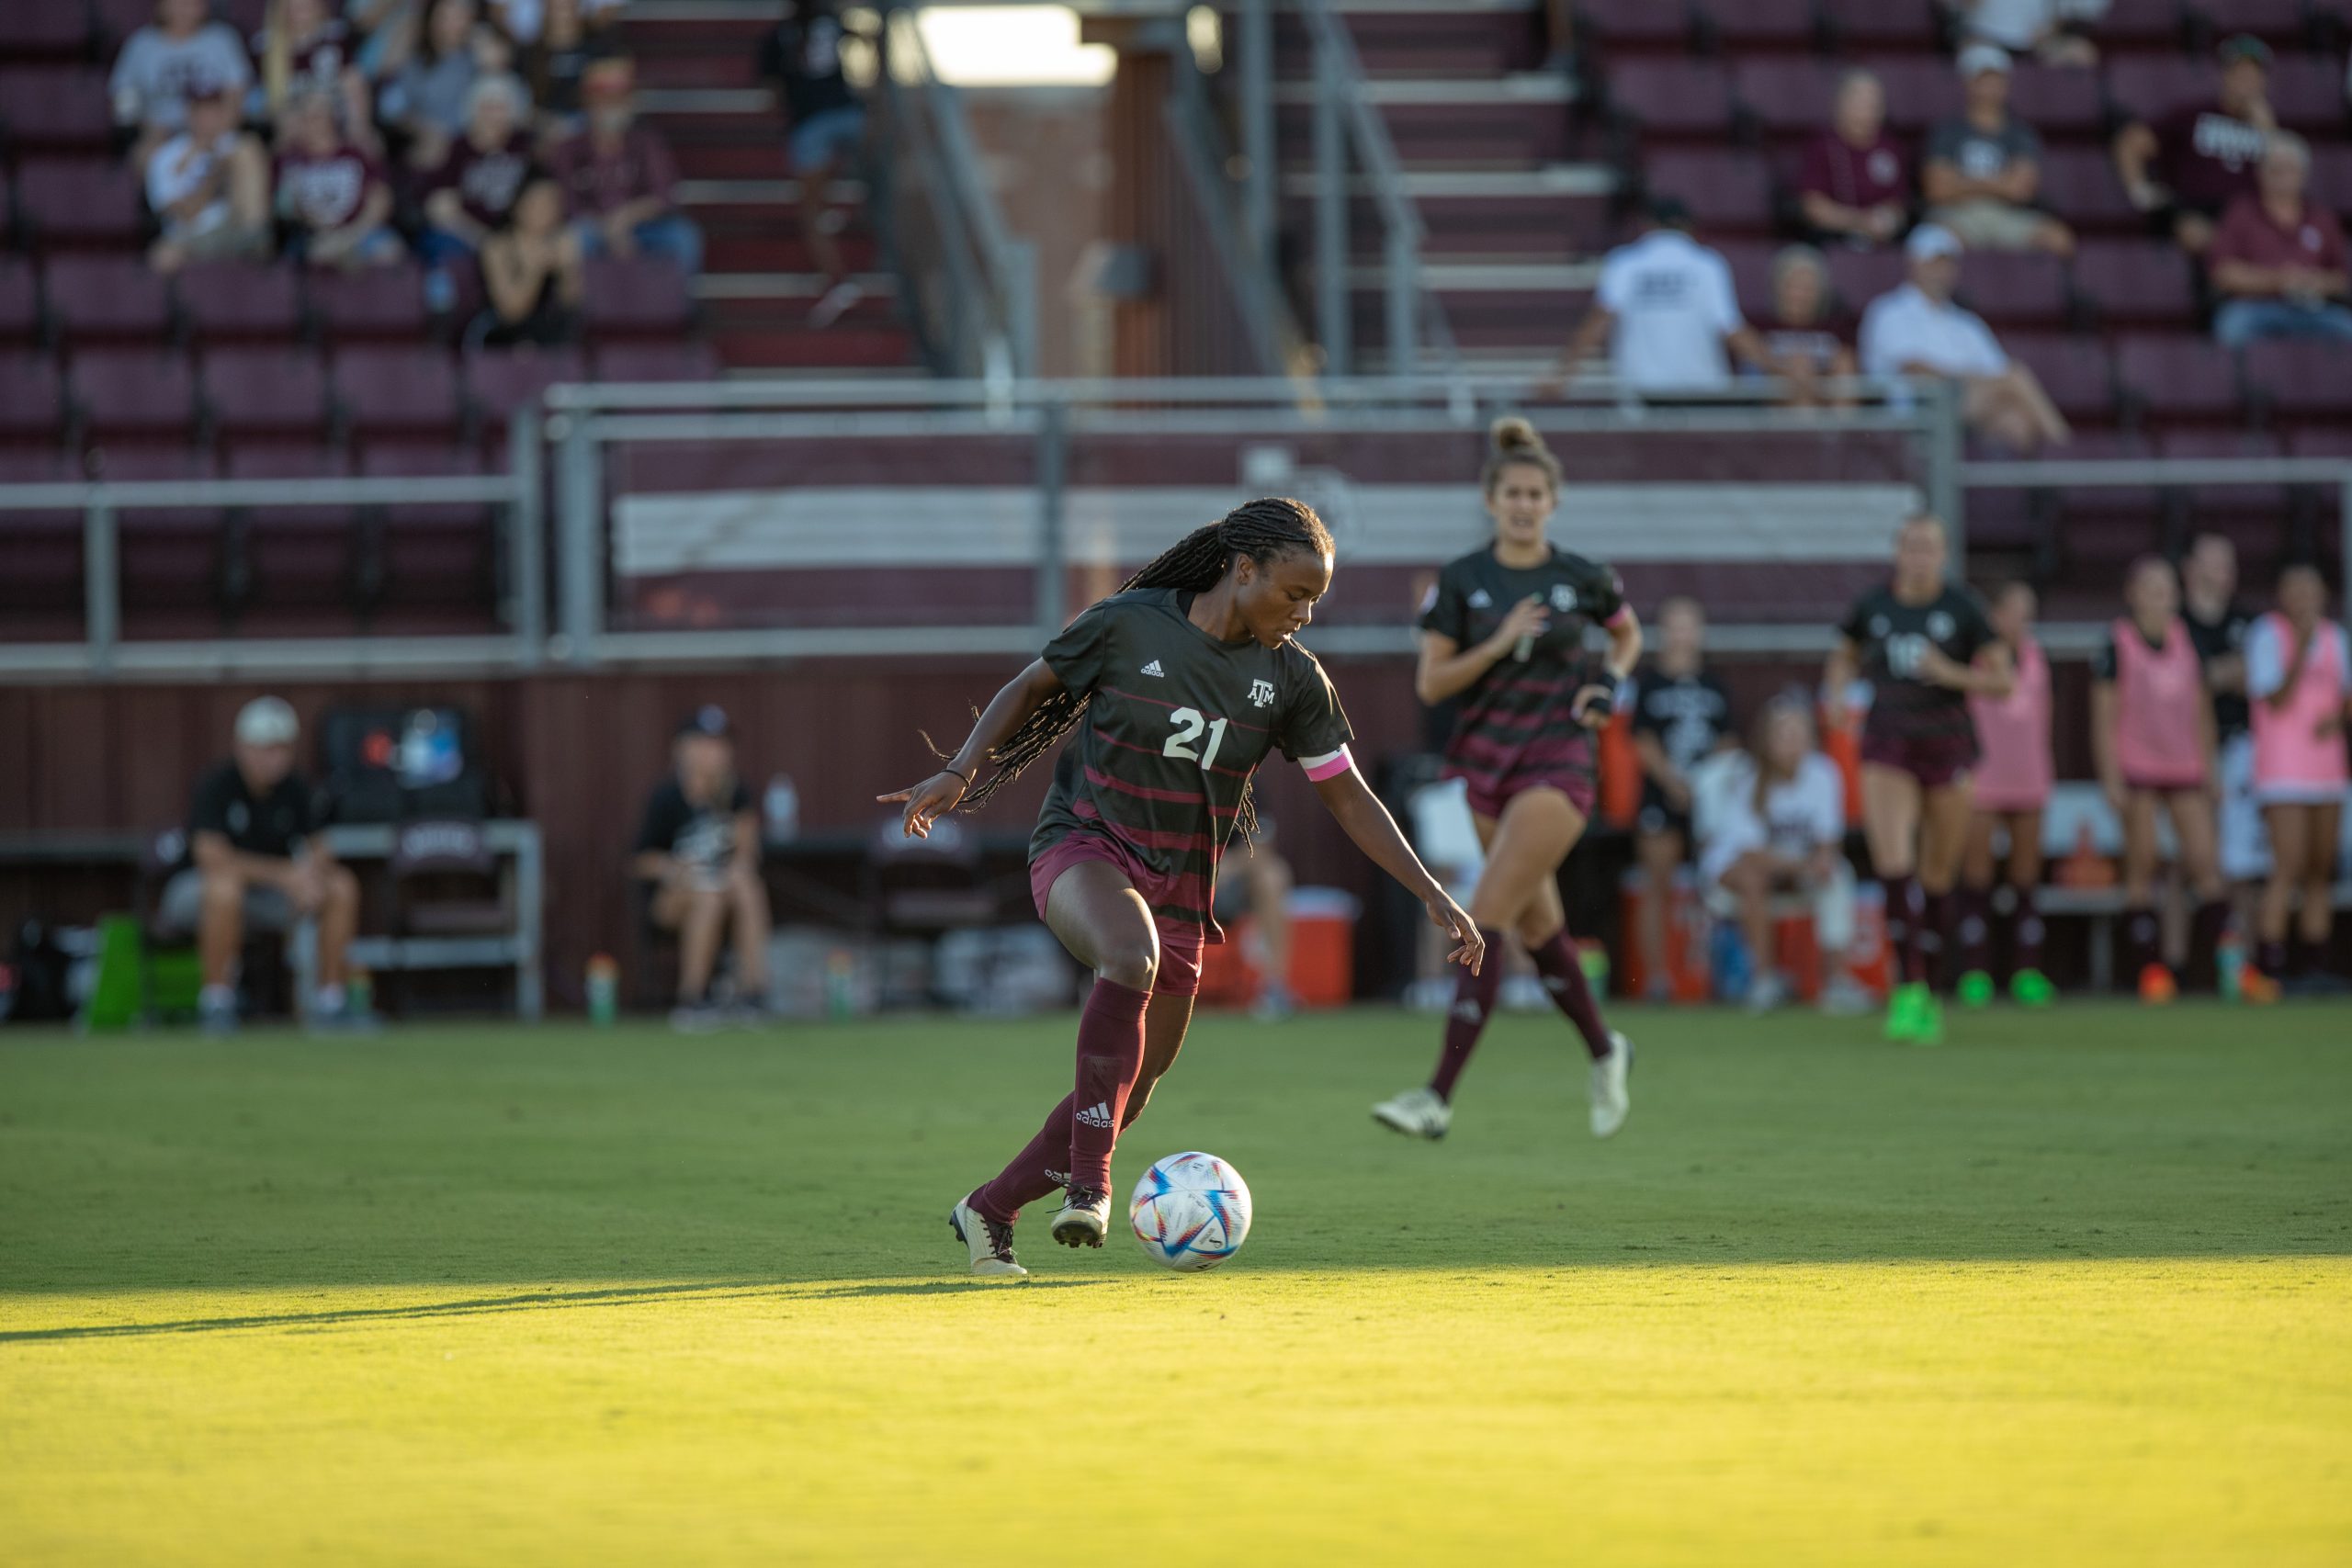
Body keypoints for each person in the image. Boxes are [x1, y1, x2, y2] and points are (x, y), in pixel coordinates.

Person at [882, 499, 1482, 1279]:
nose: (1304, 614)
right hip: (1082, 848)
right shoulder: (1130, 623)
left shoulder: (1292, 679)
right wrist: (963, 768)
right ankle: (1093, 1187)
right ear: (1243, 570)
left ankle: (988, 1210)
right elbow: (1030, 687)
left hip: (1181, 890)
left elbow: (1350, 795)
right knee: (1130, 957)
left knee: (1128, 1093)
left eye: (1316, 601)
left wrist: (1430, 888)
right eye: (1294, 593)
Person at [1371, 418, 1639, 1142]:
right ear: (1491, 499)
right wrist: (1496, 640)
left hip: (1559, 763)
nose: (1524, 503)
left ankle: (1437, 1096)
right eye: (1512, 492)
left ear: (1554, 500)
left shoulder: (1582, 574)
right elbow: (1433, 682)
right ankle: (1606, 1048)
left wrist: (1607, 686)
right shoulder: (1463, 579)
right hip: (1486, 766)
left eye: (1536, 493)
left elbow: (1628, 632)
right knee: (1541, 929)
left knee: (1482, 917)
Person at [1825, 516, 2015, 1044]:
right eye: (1911, 547)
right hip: (1888, 744)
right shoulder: (1873, 607)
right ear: (1897, 552)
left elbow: (2003, 680)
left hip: (1949, 746)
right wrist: (1838, 694)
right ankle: (1905, 988)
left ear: (1944, 552)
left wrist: (1954, 674)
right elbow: (1842, 654)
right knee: (1894, 864)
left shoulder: (1963, 608)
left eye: (1929, 547)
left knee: (1937, 875)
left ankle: (1929, 986)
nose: (1919, 556)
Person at [157, 697, 368, 1035]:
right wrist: (285, 875)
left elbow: (321, 849)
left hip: (269, 896)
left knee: (341, 885)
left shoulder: (296, 788)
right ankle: (216, 1004)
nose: (275, 758)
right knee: (226, 887)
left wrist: (310, 877)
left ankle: (332, 1003)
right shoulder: (217, 785)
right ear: (243, 747)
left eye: (282, 748)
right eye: (266, 748)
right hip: (196, 894)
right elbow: (212, 858)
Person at [2092, 557, 2226, 1002]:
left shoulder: (2189, 642)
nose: (2158, 597)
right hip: (2138, 768)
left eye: (2166, 588)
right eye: (2149, 588)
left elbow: (2203, 713)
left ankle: (2228, 969)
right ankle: (2149, 972)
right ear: (2132, 594)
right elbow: (2104, 718)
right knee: (2143, 866)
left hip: (2185, 765)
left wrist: (2211, 771)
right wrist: (2111, 777)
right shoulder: (2118, 644)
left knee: (2206, 865)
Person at [1702, 697, 1870, 1015]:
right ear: (1767, 741)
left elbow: (1827, 839)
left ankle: (1837, 981)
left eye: (1798, 733)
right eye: (1784, 734)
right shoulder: (1747, 778)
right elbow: (1748, 853)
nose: (1792, 743)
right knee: (1754, 879)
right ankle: (1764, 981)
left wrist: (1820, 861)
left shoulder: (1823, 773)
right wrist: (1801, 865)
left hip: (1795, 870)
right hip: (1738, 873)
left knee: (1838, 873)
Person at [1860, 224, 2071, 454]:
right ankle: (2066, 451)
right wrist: (1971, 380)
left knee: (2015, 420)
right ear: (1914, 263)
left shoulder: (1967, 322)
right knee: (2016, 377)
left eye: (1948, 263)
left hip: (1967, 406)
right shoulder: (1889, 311)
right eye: (1935, 262)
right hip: (1919, 409)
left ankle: (2006, 486)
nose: (1942, 270)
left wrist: (1976, 383)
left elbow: (1997, 371)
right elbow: (1915, 371)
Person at [2243, 565, 2351, 998]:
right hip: (2283, 770)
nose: (2305, 599)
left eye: (2312, 590)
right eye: (2296, 591)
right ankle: (2270, 967)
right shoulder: (2267, 636)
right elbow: (2277, 696)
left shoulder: (2336, 637)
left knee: (2319, 870)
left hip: (2327, 769)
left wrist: (2338, 719)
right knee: (2286, 865)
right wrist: (2301, 648)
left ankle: (2315, 965)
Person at [634, 705, 775, 1032]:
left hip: (723, 887)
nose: (716, 753)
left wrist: (734, 865)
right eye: (706, 744)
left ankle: (753, 993)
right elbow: (639, 860)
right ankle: (691, 999)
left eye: (721, 745)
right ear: (684, 749)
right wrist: (675, 867)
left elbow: (747, 853)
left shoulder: (736, 793)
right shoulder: (666, 797)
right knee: (707, 896)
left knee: (747, 884)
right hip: (674, 896)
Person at [1625, 595, 1732, 1001]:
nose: (1682, 633)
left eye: (1690, 624)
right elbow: (1643, 740)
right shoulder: (1649, 683)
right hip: (1660, 793)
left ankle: (1712, 975)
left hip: (1709, 799)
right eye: (1675, 624)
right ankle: (1656, 978)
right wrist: (1672, 781)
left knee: (1715, 883)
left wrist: (1704, 786)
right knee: (1658, 884)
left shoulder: (1715, 685)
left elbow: (1728, 740)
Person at [1956, 580, 2054, 1008]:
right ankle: (1975, 971)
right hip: (1984, 778)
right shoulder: (1976, 660)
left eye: (2028, 612)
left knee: (2025, 876)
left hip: (2028, 776)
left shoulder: (2036, 658)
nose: (2022, 621)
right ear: (1995, 616)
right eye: (2014, 611)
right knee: (1977, 875)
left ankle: (2026, 970)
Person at [1557, 197, 1763, 396]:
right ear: (1688, 227)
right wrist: (1779, 370)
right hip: (1701, 391)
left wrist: (1563, 373)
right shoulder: (1707, 264)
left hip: (1642, 393)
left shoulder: (1625, 263)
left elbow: (1599, 322)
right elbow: (1731, 328)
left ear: (1647, 226)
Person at [2112, 35, 2276, 257]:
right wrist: (2140, 190)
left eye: (2254, 73)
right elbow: (2131, 141)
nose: (2247, 80)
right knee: (2197, 235)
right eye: (2240, 71)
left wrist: (2268, 131)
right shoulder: (2194, 115)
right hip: (2196, 212)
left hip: (2250, 219)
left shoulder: (2269, 127)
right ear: (2224, 75)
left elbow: (2283, 180)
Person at [758, 0, 868, 328]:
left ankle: (837, 280)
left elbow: (772, 88)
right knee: (825, 182)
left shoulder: (778, 36)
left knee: (809, 213)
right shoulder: (831, 22)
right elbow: (869, 38)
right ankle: (832, 208)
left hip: (811, 122)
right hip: (850, 114)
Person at [548, 57, 705, 277]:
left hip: (642, 226)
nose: (610, 106)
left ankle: (676, 307)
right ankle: (582, 310)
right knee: (572, 242)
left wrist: (626, 218)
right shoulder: (570, 147)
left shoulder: (646, 141)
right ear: (588, 102)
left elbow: (665, 194)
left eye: (618, 99)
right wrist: (607, 228)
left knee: (684, 237)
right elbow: (568, 203)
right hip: (591, 227)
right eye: (603, 99)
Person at [1922, 45, 2074, 258]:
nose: (1991, 87)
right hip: (1959, 215)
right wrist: (2000, 183)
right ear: (1968, 82)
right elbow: (1937, 190)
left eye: (1997, 79)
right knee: (1935, 241)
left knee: (2058, 239)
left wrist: (1964, 182)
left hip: (2008, 215)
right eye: (1983, 79)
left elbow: (2021, 190)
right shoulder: (1947, 131)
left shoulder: (2020, 133)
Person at [2180, 534, 2267, 903]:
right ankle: (2173, 961)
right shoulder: (2174, 624)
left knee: (2243, 863)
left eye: (2229, 565)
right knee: (2185, 861)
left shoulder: (2250, 623)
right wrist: (2217, 674)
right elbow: (2182, 683)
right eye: (2215, 563)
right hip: (2183, 750)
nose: (2225, 573)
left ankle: (2238, 959)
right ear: (2190, 570)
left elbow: (2261, 679)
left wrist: (2214, 675)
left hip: (2241, 747)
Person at [2208, 132, 2352, 350]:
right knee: (2231, 328)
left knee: (2346, 328)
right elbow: (2223, 273)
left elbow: (2341, 278)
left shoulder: (2322, 218)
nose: (2283, 177)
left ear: (2304, 174)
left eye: (2290, 170)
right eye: (2276, 170)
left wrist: (2313, 282)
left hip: (2313, 308)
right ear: (2260, 173)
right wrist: (2278, 280)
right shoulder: (2241, 212)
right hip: (2254, 306)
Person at [420, 73, 535, 307]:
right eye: (487, 108)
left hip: (517, 233)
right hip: (467, 234)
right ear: (473, 111)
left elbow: (540, 196)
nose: (493, 116)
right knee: (440, 248)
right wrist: (481, 238)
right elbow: (440, 207)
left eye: (500, 108)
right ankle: (447, 320)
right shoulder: (457, 148)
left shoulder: (525, 146)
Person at [144, 82, 271, 273]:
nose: (207, 117)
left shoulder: (237, 146)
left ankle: (255, 253)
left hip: (232, 229)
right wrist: (215, 173)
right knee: (163, 257)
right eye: (200, 110)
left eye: (213, 109)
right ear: (189, 114)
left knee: (248, 150)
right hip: (189, 235)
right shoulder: (166, 156)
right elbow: (184, 213)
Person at [274, 84, 404, 268]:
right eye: (304, 115)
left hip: (359, 233)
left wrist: (349, 237)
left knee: (389, 250)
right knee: (311, 256)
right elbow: (285, 207)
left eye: (317, 115)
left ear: (333, 117)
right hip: (312, 237)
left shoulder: (358, 153)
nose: (310, 122)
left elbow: (381, 200)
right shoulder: (289, 159)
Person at [110, 0, 254, 166]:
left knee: (247, 153)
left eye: (192, 2)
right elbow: (124, 105)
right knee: (145, 155)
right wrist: (147, 128)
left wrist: (211, 134)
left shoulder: (222, 39)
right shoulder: (141, 45)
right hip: (161, 138)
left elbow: (237, 97)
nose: (185, 8)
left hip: (217, 135)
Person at [381, 0, 504, 171]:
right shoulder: (416, 60)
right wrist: (423, 129)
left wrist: (480, 42)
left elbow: (498, 75)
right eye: (445, 17)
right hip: (421, 142)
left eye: (460, 17)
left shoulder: (475, 57)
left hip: (467, 146)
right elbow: (390, 107)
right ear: (431, 20)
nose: (452, 24)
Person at [1798, 70, 1909, 250]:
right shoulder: (1823, 145)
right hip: (1833, 239)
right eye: (1862, 100)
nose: (1870, 107)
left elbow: (1898, 204)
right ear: (1841, 103)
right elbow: (1813, 207)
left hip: (1881, 238)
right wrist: (1860, 222)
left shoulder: (1889, 147)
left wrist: (1887, 219)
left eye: (1875, 101)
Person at [472, 171, 582, 346]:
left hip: (547, 333)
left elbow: (571, 305)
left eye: (553, 202)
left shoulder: (561, 241)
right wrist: (535, 268)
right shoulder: (497, 246)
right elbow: (511, 312)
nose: (548, 209)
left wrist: (568, 269)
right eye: (540, 202)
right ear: (518, 205)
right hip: (501, 334)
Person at [1209, 818, 1297, 1020]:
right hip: (1179, 875)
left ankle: (1274, 988)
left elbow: (1260, 844)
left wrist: (1224, 866)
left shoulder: (1249, 788)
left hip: (1228, 881)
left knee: (1273, 875)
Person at [254, 0, 375, 147]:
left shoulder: (336, 36)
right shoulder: (265, 47)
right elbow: (267, 105)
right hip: (294, 128)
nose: (302, 6)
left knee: (370, 142)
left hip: (337, 122)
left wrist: (358, 127)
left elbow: (354, 83)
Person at [1753, 245, 1859, 408]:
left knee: (1844, 363)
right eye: (1793, 286)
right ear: (1777, 288)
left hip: (1826, 403)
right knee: (1798, 367)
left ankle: (1841, 429)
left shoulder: (1837, 329)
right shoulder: (1760, 328)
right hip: (1774, 410)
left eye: (1807, 288)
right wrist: (1788, 369)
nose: (1799, 295)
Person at [519, 0, 616, 129]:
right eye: (557, 7)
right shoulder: (532, 52)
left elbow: (606, 91)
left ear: (577, 8)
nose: (562, 14)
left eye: (567, 7)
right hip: (543, 124)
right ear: (546, 10)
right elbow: (523, 98)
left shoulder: (596, 48)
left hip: (588, 123)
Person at [1955, 0, 2098, 66]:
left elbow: (2065, 12)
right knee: (1983, 59)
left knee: (2083, 54)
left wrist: (2051, 32)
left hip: (2037, 43)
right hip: (1986, 40)